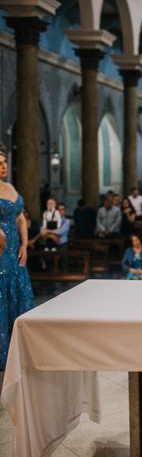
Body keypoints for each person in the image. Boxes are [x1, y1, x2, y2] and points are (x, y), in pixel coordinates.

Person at [0, 150, 34, 369]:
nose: (3, 165)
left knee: (19, 292)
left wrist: (24, 244)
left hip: (14, 250)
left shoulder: (10, 188)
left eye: (4, 162)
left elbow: (21, 218)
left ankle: (19, 351)